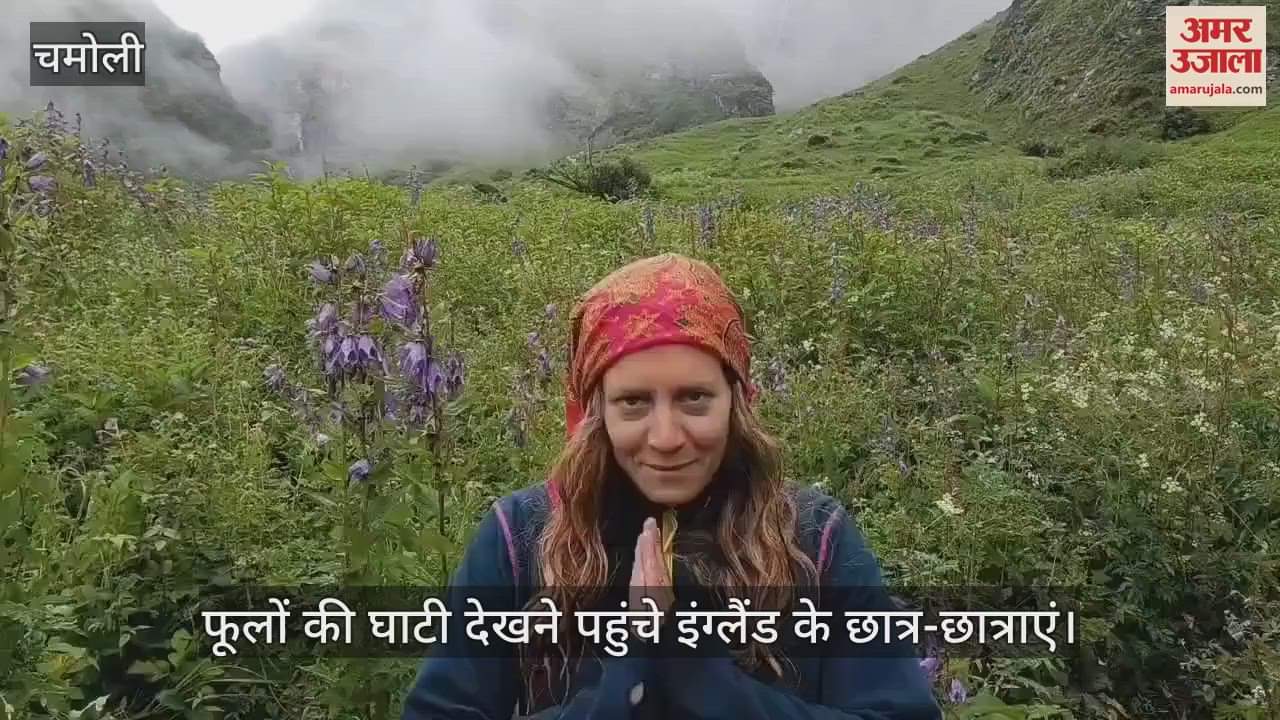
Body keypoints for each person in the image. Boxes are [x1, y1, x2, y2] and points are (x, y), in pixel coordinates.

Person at [401, 253, 942, 719]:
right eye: (633, 402)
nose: (665, 438)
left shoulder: (814, 539)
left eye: (694, 399)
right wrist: (628, 678)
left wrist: (692, 669)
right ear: (595, 411)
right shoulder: (522, 536)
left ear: (738, 400)